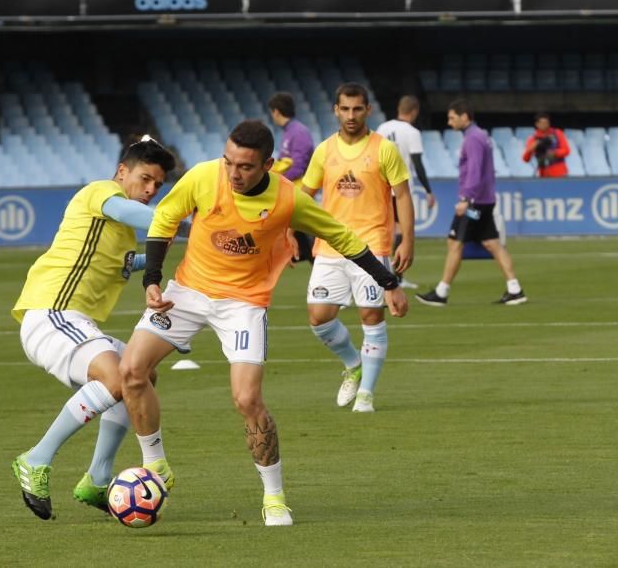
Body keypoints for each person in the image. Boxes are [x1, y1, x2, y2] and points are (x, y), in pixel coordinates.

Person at [118, 120, 408, 527]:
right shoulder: (204, 177)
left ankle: (274, 496)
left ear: (268, 165)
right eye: (229, 162)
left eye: (245, 167)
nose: (233, 173)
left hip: (244, 303)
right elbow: (165, 218)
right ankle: (156, 466)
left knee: (247, 400)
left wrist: (389, 282)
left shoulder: (289, 199)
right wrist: (151, 281)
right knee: (131, 371)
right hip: (186, 292)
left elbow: (343, 237)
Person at [10, 140, 178, 520]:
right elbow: (147, 218)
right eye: (145, 179)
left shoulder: (118, 233)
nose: (151, 190)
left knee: (139, 375)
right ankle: (35, 459)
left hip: (74, 321)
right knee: (118, 376)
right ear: (122, 172)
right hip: (51, 312)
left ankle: (98, 478)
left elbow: (126, 260)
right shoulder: (102, 193)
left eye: (158, 185)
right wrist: (194, 221)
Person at [302, 84, 414, 414]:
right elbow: (304, 194)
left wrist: (407, 239)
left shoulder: (384, 149)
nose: (351, 115)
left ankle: (366, 394)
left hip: (372, 244)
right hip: (330, 245)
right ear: (336, 110)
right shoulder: (324, 151)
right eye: (345, 109)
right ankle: (353, 363)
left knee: (371, 316)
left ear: (368, 111)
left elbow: (403, 196)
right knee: (318, 317)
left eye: (357, 109)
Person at [417, 100, 526, 307]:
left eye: (452, 118)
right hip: (484, 200)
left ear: (464, 116)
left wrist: (466, 199)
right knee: (492, 243)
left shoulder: (473, 139)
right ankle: (515, 289)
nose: (449, 122)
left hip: (474, 203)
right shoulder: (480, 135)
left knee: (455, 242)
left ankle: (442, 292)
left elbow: (474, 171)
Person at [376, 95, 436, 289]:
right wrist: (428, 190)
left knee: (381, 232)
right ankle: (397, 277)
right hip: (400, 189)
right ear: (415, 111)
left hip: (379, 188)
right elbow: (417, 164)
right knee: (402, 231)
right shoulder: (412, 132)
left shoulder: (382, 128)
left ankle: (377, 275)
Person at [268, 91, 316, 263]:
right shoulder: (291, 132)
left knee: (310, 244)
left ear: (276, 111)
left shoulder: (298, 132)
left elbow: (299, 167)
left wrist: (279, 181)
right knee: (304, 242)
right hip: (292, 194)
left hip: (298, 194)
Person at [521, 113, 570, 177]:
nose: (545, 125)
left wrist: (554, 153)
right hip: (543, 174)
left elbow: (566, 150)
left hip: (560, 172)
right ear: (537, 124)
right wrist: (530, 150)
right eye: (542, 123)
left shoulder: (557, 133)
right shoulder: (533, 139)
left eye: (547, 123)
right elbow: (525, 159)